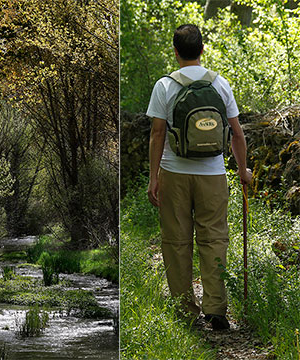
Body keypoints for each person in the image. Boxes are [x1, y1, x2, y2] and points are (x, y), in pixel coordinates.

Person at [146, 24, 252, 330]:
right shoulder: (220, 84)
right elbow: (236, 133)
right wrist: (242, 171)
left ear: (175, 52)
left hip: (174, 173)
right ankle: (216, 309)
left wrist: (154, 177)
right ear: (202, 50)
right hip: (213, 175)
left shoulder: (164, 86)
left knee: (176, 242)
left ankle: (185, 312)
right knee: (215, 238)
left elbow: (157, 133)